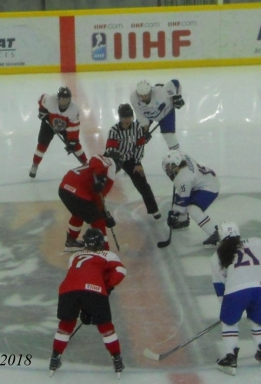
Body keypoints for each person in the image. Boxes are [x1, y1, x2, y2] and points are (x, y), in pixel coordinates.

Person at [49, 228, 125, 377]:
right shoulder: (108, 255)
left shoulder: (75, 256)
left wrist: (84, 307)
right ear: (101, 242)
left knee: (65, 325)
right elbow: (121, 272)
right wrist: (107, 286)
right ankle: (117, 360)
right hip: (94, 290)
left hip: (67, 290)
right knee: (106, 327)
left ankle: (54, 359)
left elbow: (79, 280)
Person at [212, 221, 261, 376]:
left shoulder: (217, 255)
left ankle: (230, 357)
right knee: (259, 321)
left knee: (229, 324)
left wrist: (228, 310)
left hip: (236, 291)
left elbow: (219, 284)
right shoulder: (256, 242)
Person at [104, 104, 160, 220]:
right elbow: (110, 149)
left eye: (129, 117)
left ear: (132, 117)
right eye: (124, 117)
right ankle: (98, 208)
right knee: (102, 182)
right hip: (115, 160)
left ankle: (153, 209)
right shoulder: (114, 130)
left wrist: (138, 163)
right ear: (120, 117)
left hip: (131, 160)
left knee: (143, 184)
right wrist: (114, 164)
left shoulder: (137, 128)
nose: (126, 120)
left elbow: (139, 146)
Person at [58, 155, 117, 251]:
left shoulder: (103, 163)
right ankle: (104, 249)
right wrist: (101, 178)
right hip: (77, 193)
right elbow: (98, 199)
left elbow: (97, 198)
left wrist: (105, 215)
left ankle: (71, 241)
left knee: (79, 214)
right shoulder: (109, 169)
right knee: (98, 220)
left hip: (64, 188)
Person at [163, 150, 221, 247]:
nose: (167, 169)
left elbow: (183, 201)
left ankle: (215, 233)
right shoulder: (184, 158)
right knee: (185, 196)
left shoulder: (183, 178)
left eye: (169, 166)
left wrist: (174, 213)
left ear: (177, 164)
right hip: (205, 179)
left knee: (193, 209)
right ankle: (183, 221)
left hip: (209, 187)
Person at [30, 87, 87, 178]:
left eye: (66, 99)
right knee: (42, 144)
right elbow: (41, 98)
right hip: (49, 125)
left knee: (75, 146)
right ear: (58, 98)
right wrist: (42, 111)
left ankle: (86, 164)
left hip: (66, 128)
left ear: (70, 99)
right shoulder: (51, 100)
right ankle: (35, 165)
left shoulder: (74, 110)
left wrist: (72, 141)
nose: (63, 102)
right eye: (61, 99)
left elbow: (74, 128)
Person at [130, 79, 184, 150]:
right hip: (148, 114)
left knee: (168, 135)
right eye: (141, 95)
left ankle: (177, 154)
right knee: (138, 133)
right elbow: (140, 115)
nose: (143, 97)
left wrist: (178, 96)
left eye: (146, 95)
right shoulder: (134, 98)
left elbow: (175, 83)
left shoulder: (160, 93)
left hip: (166, 112)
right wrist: (145, 130)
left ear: (150, 91)